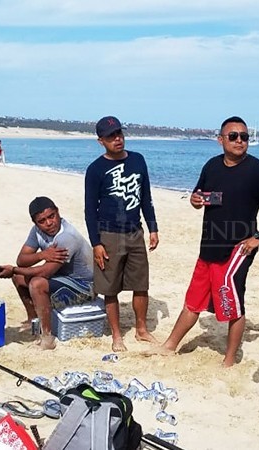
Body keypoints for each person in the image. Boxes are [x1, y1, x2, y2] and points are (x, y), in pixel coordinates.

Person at [159, 116, 259, 367]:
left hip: (238, 249)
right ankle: (169, 346)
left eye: (244, 137)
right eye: (233, 136)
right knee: (193, 299)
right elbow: (199, 196)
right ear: (220, 140)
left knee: (232, 304)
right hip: (209, 246)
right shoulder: (212, 166)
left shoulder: (258, 170)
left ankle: (229, 360)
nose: (239, 141)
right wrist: (195, 201)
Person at [84, 116, 159, 352]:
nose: (117, 139)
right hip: (108, 234)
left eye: (119, 133)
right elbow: (89, 210)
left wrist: (153, 227)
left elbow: (145, 197)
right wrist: (96, 243)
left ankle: (141, 329)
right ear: (101, 141)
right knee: (110, 288)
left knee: (141, 284)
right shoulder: (95, 169)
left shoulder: (138, 160)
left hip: (135, 232)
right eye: (110, 136)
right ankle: (117, 335)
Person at [0, 196, 95, 350]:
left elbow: (45, 272)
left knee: (36, 283)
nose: (49, 223)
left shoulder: (67, 237)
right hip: (62, 277)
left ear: (58, 212)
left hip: (85, 286)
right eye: (42, 221)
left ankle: (47, 337)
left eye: (51, 216)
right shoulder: (36, 232)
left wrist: (13, 269)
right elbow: (22, 259)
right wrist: (42, 254)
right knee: (18, 277)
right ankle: (33, 319)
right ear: (35, 223)